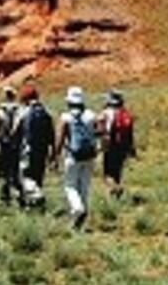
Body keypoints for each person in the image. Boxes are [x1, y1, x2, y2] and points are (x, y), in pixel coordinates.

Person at [54, 86, 98, 230]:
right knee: (84, 186)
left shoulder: (65, 117)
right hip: (90, 156)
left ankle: (77, 209)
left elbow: (60, 139)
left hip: (73, 156)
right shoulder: (91, 115)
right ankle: (81, 214)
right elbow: (99, 132)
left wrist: (55, 156)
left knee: (70, 186)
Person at [15, 85, 55, 210]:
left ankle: (37, 197)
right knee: (38, 177)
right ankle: (33, 206)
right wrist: (53, 151)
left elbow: (15, 131)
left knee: (25, 176)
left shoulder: (24, 112)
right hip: (42, 151)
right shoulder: (47, 112)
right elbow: (52, 134)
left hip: (28, 150)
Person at [98, 89, 136, 200]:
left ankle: (116, 188)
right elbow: (130, 133)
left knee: (107, 174)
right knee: (117, 172)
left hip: (110, 146)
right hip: (123, 146)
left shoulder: (105, 113)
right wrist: (131, 148)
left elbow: (100, 130)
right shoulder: (125, 114)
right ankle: (114, 199)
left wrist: (101, 145)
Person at [0, 86, 21, 205]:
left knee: (2, 172)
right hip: (16, 147)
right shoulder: (20, 111)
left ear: (5, 96)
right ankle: (19, 197)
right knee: (14, 172)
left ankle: (4, 198)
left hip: (2, 146)